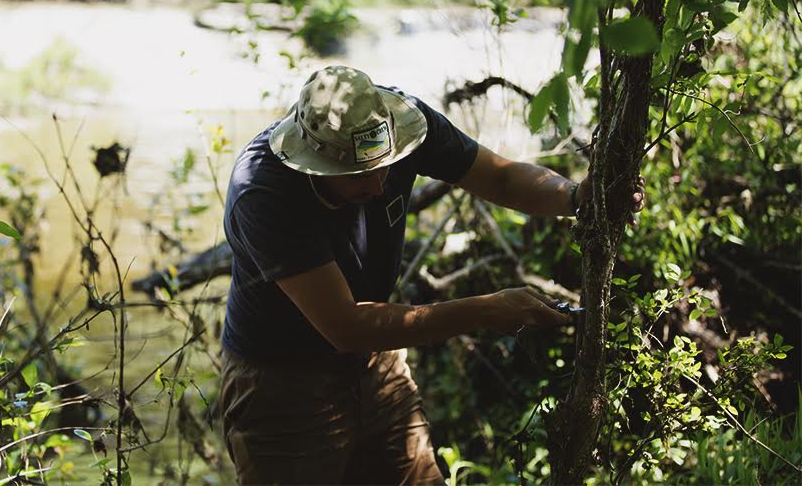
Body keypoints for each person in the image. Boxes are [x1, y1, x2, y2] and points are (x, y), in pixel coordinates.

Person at [217, 66, 645, 485]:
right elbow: (345, 326)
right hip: (282, 385)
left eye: (385, 164)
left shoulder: (399, 127)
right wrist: (484, 310)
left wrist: (576, 196)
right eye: (359, 175)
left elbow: (503, 179)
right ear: (316, 166)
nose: (380, 183)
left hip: (374, 362)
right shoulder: (265, 191)